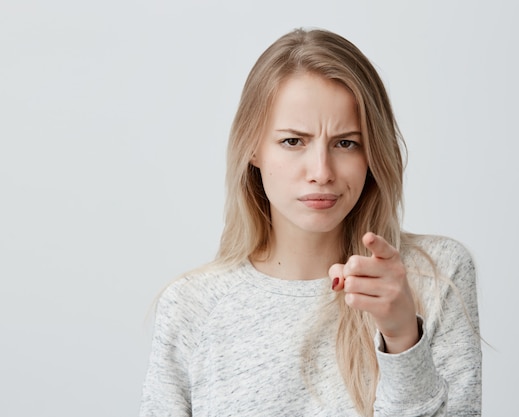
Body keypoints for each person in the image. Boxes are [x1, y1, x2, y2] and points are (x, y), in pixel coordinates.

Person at [140, 28, 481, 417]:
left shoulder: (434, 276)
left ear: (372, 153)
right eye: (293, 141)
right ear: (252, 148)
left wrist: (403, 338)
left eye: (346, 143)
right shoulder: (192, 305)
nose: (321, 172)